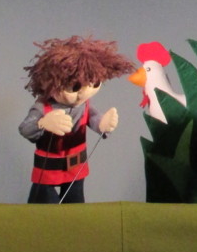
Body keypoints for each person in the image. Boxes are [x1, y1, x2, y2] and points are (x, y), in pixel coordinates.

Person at [19, 36, 135, 204]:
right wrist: (43, 123)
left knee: (75, 208)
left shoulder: (84, 105)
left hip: (76, 169)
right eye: (74, 87)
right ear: (49, 82)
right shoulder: (42, 107)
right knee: (44, 209)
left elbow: (93, 117)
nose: (83, 93)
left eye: (95, 84)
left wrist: (102, 123)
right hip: (48, 170)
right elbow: (25, 128)